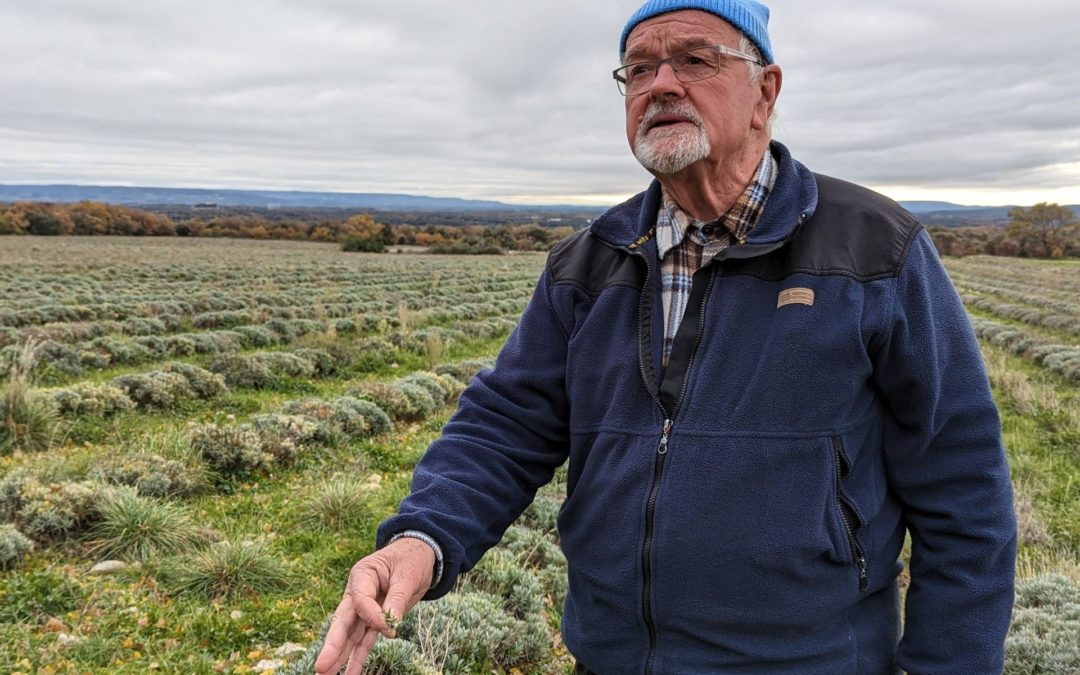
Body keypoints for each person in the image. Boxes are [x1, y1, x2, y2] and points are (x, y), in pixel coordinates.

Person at [315, 0, 1018, 672]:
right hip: (610, 658)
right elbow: (507, 425)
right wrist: (421, 538)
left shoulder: (876, 252)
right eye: (639, 68)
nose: (661, 85)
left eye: (694, 59)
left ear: (765, 92)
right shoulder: (590, 259)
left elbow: (963, 487)